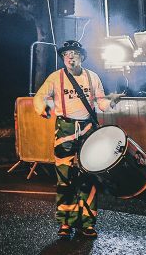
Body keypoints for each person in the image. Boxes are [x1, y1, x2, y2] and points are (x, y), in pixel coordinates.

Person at [33, 40, 111, 238]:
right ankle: (65, 222)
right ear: (62, 57)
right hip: (65, 130)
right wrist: (43, 109)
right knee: (64, 178)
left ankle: (87, 223)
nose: (70, 56)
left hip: (88, 130)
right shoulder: (55, 77)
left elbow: (100, 100)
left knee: (89, 176)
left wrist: (108, 103)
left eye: (75, 53)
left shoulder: (92, 77)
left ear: (82, 57)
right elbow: (40, 97)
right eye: (67, 53)